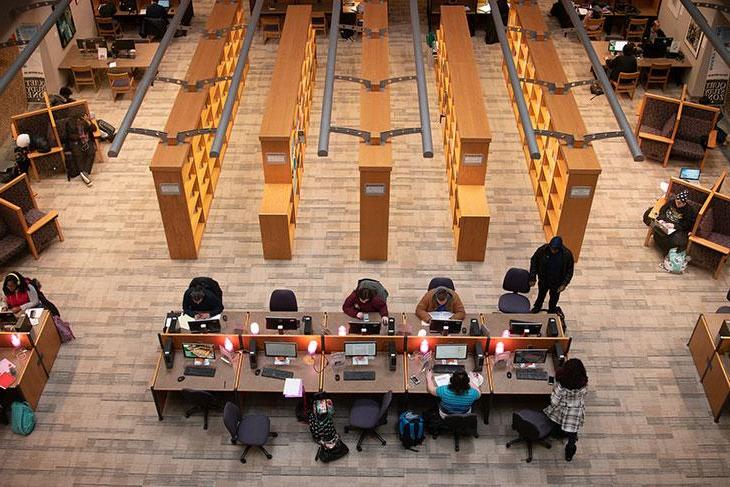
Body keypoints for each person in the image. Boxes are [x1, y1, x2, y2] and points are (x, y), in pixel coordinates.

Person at [544, 358, 588, 462]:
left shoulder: (562, 386)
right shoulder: (583, 383)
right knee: (573, 433)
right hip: (576, 412)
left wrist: (553, 391)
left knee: (555, 420)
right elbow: (584, 394)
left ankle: (556, 433)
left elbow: (554, 401)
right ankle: (569, 452)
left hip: (563, 411)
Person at [529, 236, 574, 313]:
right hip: (544, 280)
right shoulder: (543, 250)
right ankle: (537, 307)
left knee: (554, 298)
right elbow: (534, 261)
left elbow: (569, 271)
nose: (553, 251)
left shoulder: (567, 255)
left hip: (557, 282)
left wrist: (564, 284)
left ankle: (551, 310)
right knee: (541, 295)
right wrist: (532, 277)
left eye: (555, 249)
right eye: (552, 248)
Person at [61, 113, 96, 187]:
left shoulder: (86, 122)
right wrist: (80, 137)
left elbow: (94, 129)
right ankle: (84, 174)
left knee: (91, 152)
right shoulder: (70, 124)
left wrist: (89, 122)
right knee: (78, 156)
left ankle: (85, 172)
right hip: (75, 142)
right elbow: (69, 137)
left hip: (86, 141)